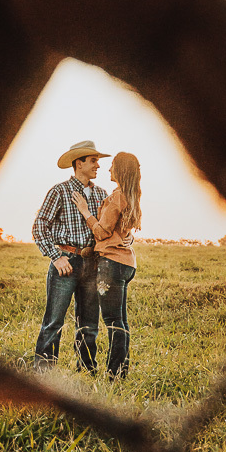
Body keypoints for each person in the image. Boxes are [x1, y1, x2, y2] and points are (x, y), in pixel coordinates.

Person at [31, 139, 109, 373]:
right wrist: (56, 257)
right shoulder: (59, 191)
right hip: (66, 261)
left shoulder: (102, 195)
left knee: (89, 323)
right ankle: (44, 372)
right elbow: (39, 226)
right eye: (93, 161)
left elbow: (108, 230)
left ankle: (86, 369)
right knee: (54, 321)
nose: (98, 165)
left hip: (92, 264)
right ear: (79, 163)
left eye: (97, 161)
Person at [73, 151, 141, 378]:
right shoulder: (130, 196)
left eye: (112, 166)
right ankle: (120, 371)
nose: (108, 170)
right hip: (126, 263)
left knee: (112, 321)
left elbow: (102, 232)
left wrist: (85, 211)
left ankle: (114, 373)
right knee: (120, 321)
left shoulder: (116, 198)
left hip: (110, 264)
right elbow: (124, 232)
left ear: (120, 170)